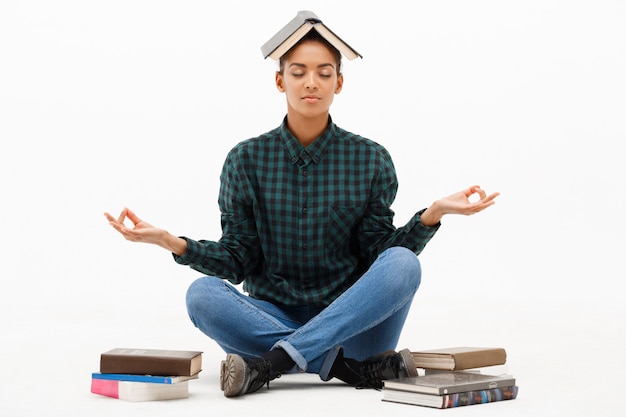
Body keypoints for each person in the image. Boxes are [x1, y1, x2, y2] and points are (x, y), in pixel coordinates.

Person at [104, 20, 499, 398]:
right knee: (201, 295)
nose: (311, 82)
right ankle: (339, 367)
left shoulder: (371, 158)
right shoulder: (245, 159)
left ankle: (276, 362)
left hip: (353, 323)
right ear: (280, 81)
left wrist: (432, 215)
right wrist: (172, 242)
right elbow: (238, 259)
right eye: (298, 72)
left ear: (339, 83)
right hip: (270, 320)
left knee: (403, 263)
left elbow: (379, 254)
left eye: (324, 73)